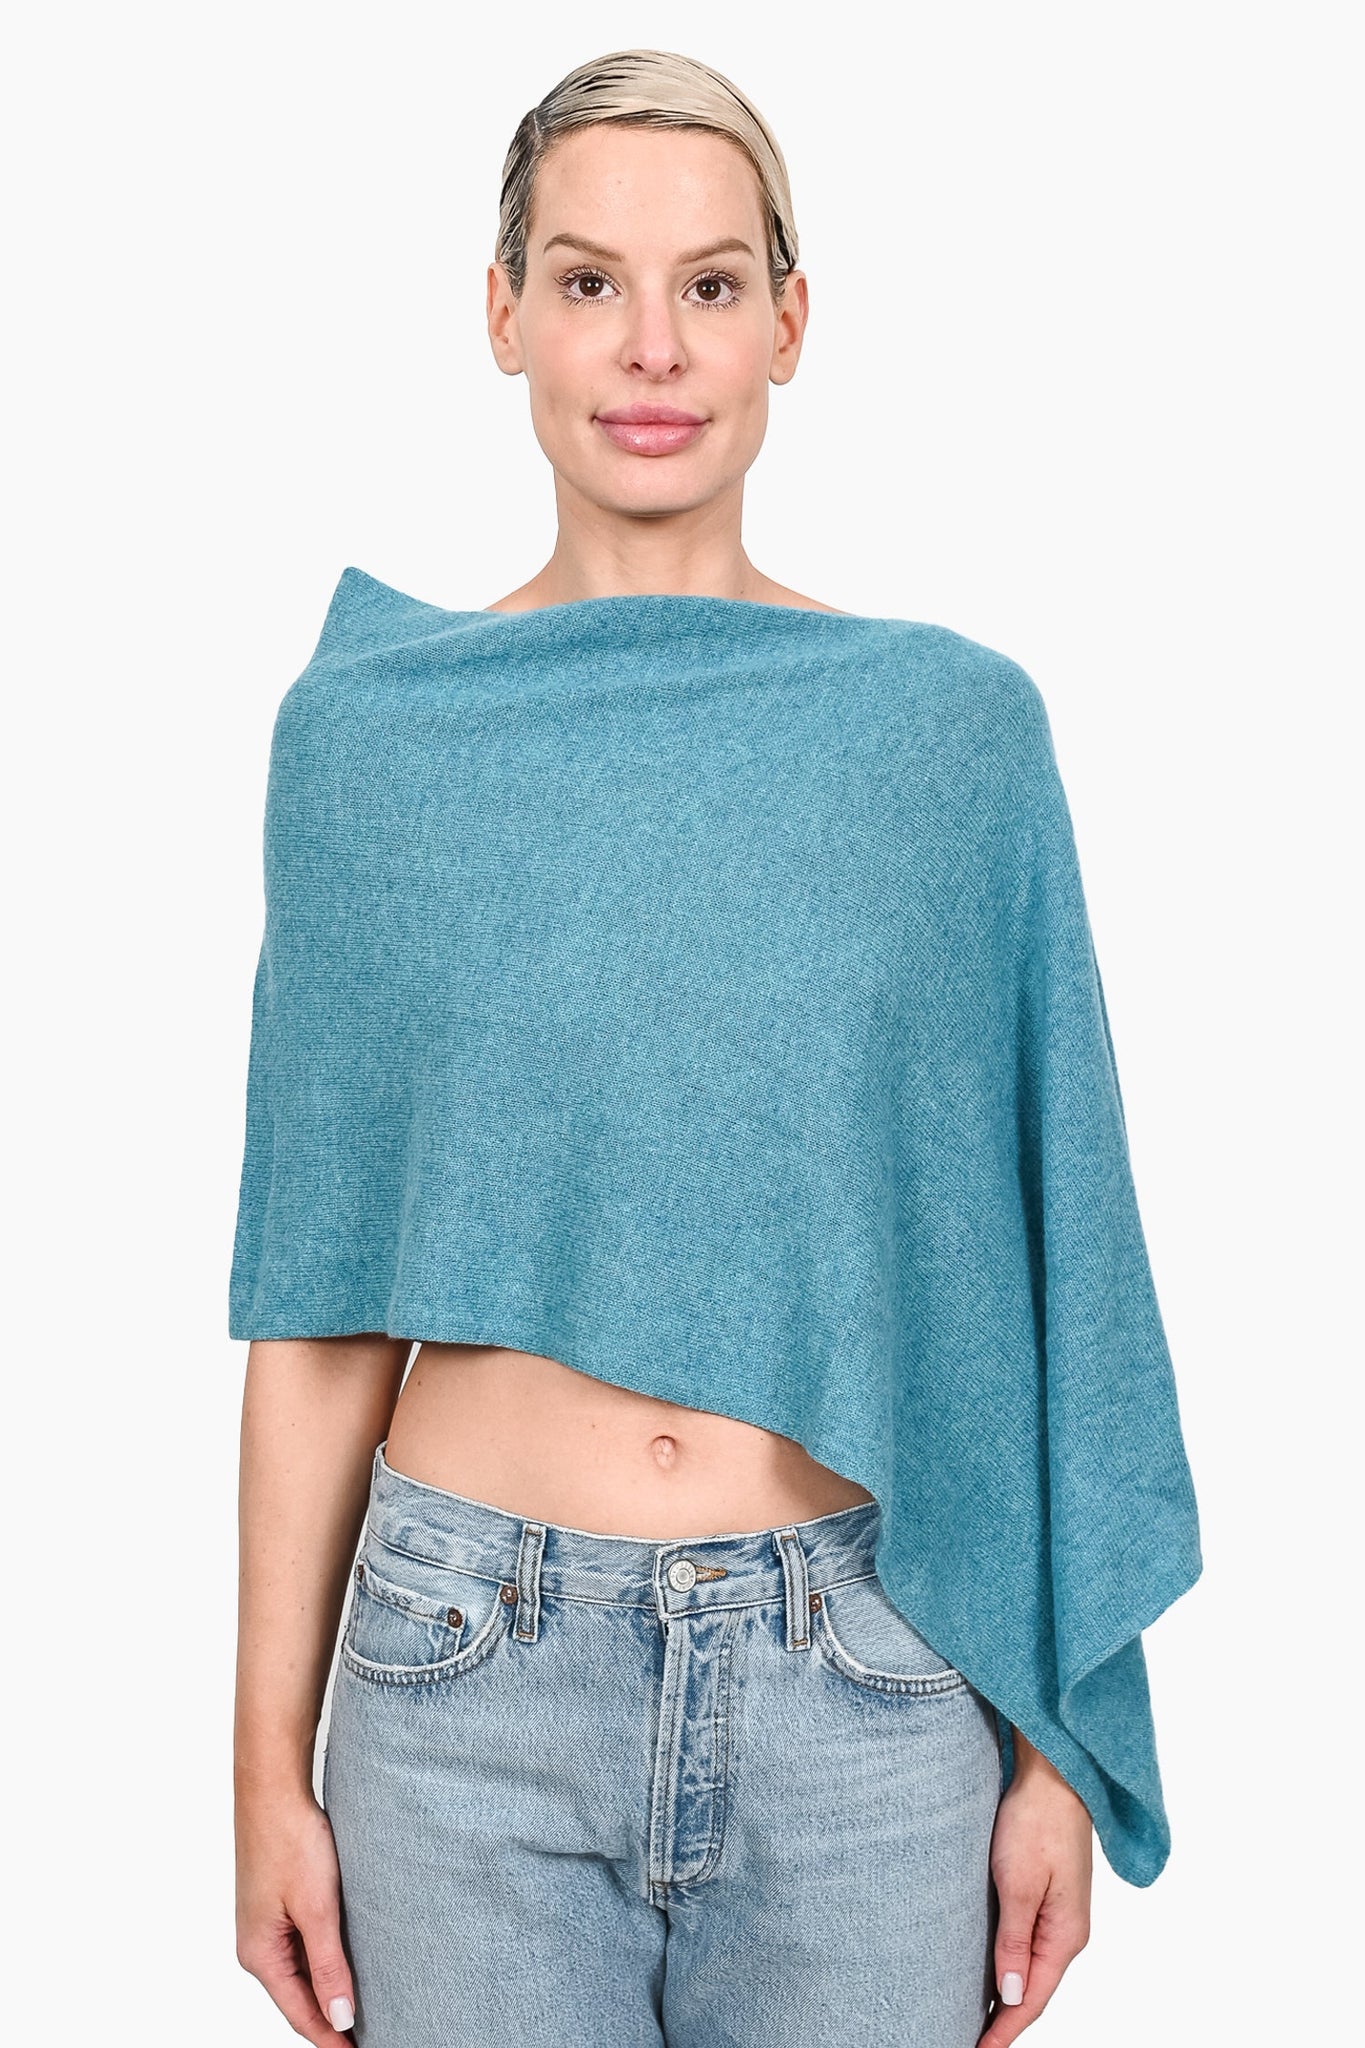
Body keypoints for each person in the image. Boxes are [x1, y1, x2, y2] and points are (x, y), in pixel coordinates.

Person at [232, 47, 1202, 2048]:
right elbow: (316, 1303)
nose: (650, 346)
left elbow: (1030, 1268)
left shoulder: (946, 737)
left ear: (789, 320)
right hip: (458, 1688)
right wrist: (258, 1777)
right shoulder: (369, 745)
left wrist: (1047, 1749)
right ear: (501, 312)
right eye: (586, 280)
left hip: (864, 1676)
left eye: (708, 283)